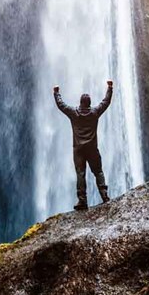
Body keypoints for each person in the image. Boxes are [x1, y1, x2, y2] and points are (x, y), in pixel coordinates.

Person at [53, 80, 113, 211]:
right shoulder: (95, 112)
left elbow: (61, 105)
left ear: (80, 103)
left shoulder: (73, 113)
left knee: (80, 174)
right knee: (98, 171)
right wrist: (110, 88)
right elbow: (106, 102)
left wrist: (56, 93)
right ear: (90, 103)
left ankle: (82, 201)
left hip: (78, 150)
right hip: (92, 149)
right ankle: (104, 195)